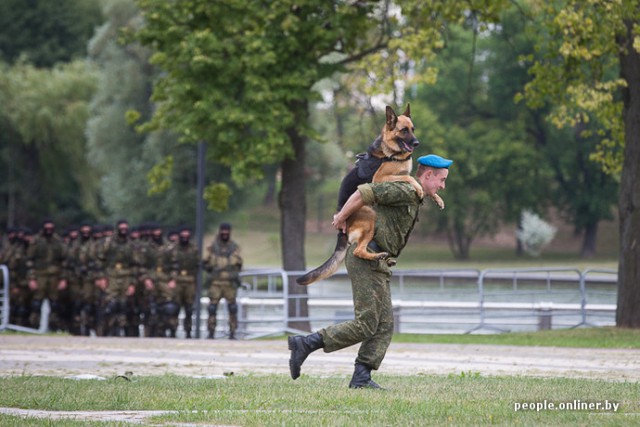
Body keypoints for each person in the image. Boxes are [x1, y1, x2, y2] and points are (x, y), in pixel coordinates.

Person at [288, 154, 452, 389]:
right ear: (428, 175)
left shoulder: (415, 194)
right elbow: (364, 192)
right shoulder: (404, 190)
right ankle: (305, 344)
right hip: (365, 258)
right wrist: (341, 218)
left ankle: (361, 377)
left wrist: (433, 194)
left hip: (379, 262)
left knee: (384, 325)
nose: (443, 186)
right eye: (441, 180)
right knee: (366, 323)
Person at [25, 219, 68, 331]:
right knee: (36, 303)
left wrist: (63, 278)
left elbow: (64, 260)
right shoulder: (36, 241)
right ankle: (34, 326)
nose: (49, 230)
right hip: (39, 276)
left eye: (51, 228)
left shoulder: (58, 241)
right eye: (47, 228)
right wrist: (31, 278)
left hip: (55, 276)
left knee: (54, 303)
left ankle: (53, 327)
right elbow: (29, 260)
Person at [204, 223, 243, 339]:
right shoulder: (212, 247)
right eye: (223, 231)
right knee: (212, 308)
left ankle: (232, 332)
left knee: (232, 308)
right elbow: (206, 264)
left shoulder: (234, 247)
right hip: (215, 283)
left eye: (227, 231)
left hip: (229, 283)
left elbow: (239, 264)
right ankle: (211, 332)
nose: (225, 233)